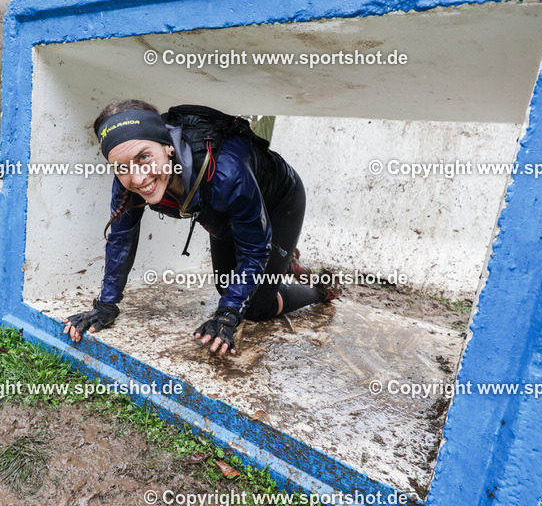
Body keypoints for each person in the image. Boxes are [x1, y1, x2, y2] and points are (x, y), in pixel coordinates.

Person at [63, 99, 339, 356]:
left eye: (144, 157)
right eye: (121, 167)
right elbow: (121, 237)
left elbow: (254, 249)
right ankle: (285, 263)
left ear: (167, 147)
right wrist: (106, 305)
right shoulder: (129, 177)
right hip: (225, 210)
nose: (137, 177)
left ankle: (320, 287)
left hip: (278, 201)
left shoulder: (225, 173)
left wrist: (228, 315)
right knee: (227, 286)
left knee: (254, 306)